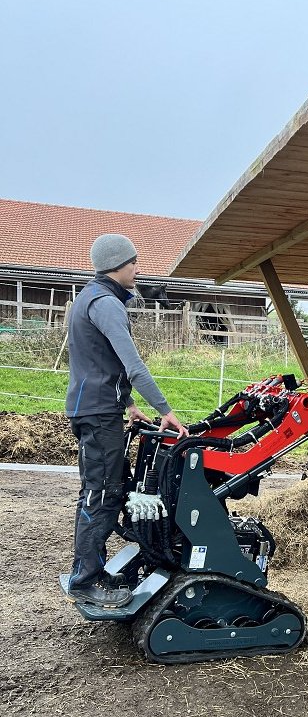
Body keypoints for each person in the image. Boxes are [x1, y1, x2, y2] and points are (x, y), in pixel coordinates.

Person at [65, 233, 187, 608]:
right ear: (117, 264)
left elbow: (101, 361)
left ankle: (93, 570)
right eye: (133, 262)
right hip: (99, 413)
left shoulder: (89, 297)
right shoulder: (106, 304)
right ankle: (86, 579)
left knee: (99, 489)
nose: (137, 268)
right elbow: (132, 365)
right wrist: (165, 409)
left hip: (97, 407)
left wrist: (130, 404)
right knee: (103, 493)